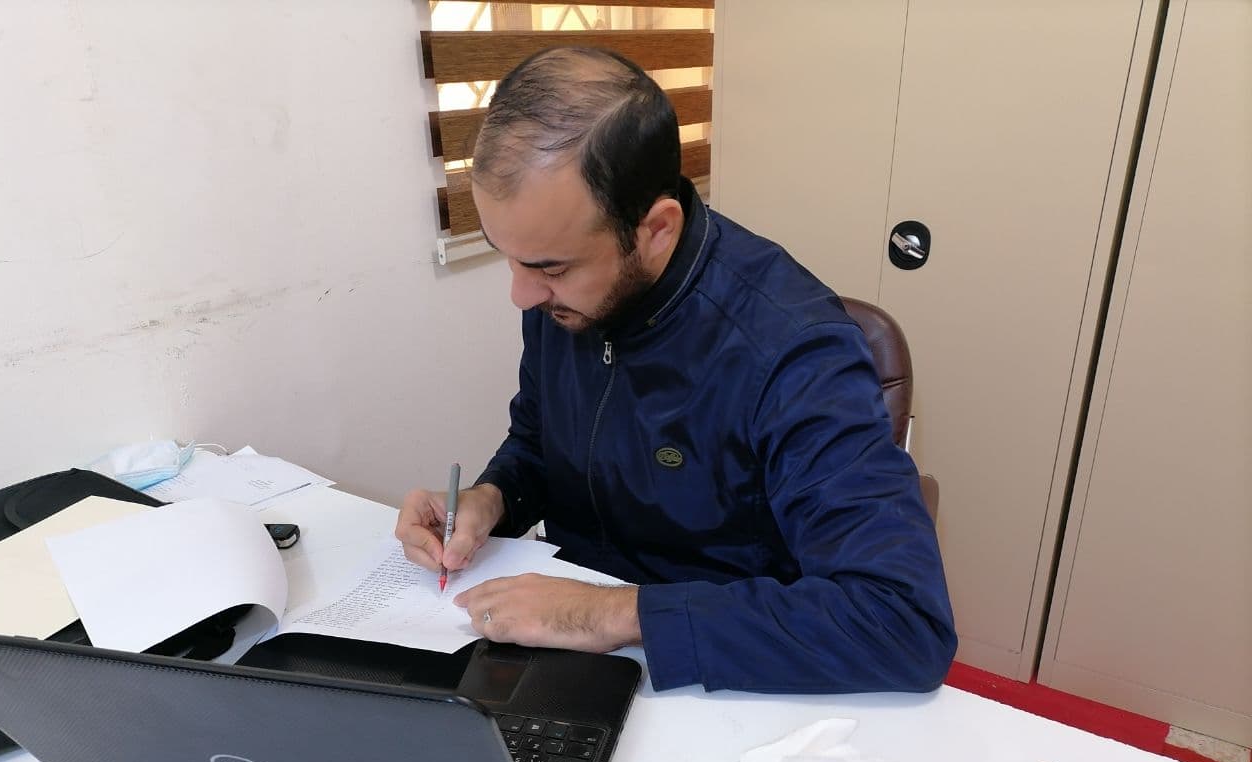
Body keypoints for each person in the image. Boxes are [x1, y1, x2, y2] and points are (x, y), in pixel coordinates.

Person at [396, 47, 956, 693]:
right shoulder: (564, 301)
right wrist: (491, 499)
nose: (521, 295)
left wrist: (606, 614)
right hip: (562, 657)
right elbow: (539, 443)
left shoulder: (792, 351)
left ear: (657, 229)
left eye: (551, 268)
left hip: (725, 677)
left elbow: (902, 621)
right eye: (510, 258)